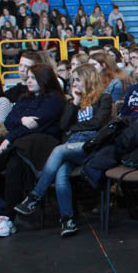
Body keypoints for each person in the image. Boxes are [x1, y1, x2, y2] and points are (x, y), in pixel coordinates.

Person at [13, 64, 112, 236]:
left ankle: (35, 197)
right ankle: (68, 220)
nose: (74, 84)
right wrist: (75, 102)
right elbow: (64, 125)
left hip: (91, 145)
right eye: (73, 80)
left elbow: (98, 123)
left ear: (89, 79)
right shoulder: (73, 101)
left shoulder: (104, 98)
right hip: (72, 146)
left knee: (58, 151)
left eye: (78, 80)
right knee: (61, 175)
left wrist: (74, 128)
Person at [0, 64, 65, 237]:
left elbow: (38, 125)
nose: (28, 81)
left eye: (33, 78)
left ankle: (7, 218)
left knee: (15, 166)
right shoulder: (24, 98)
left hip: (38, 146)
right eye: (27, 77)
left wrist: (10, 137)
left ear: (44, 79)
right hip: (15, 142)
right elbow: (9, 121)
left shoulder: (55, 99)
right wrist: (22, 119)